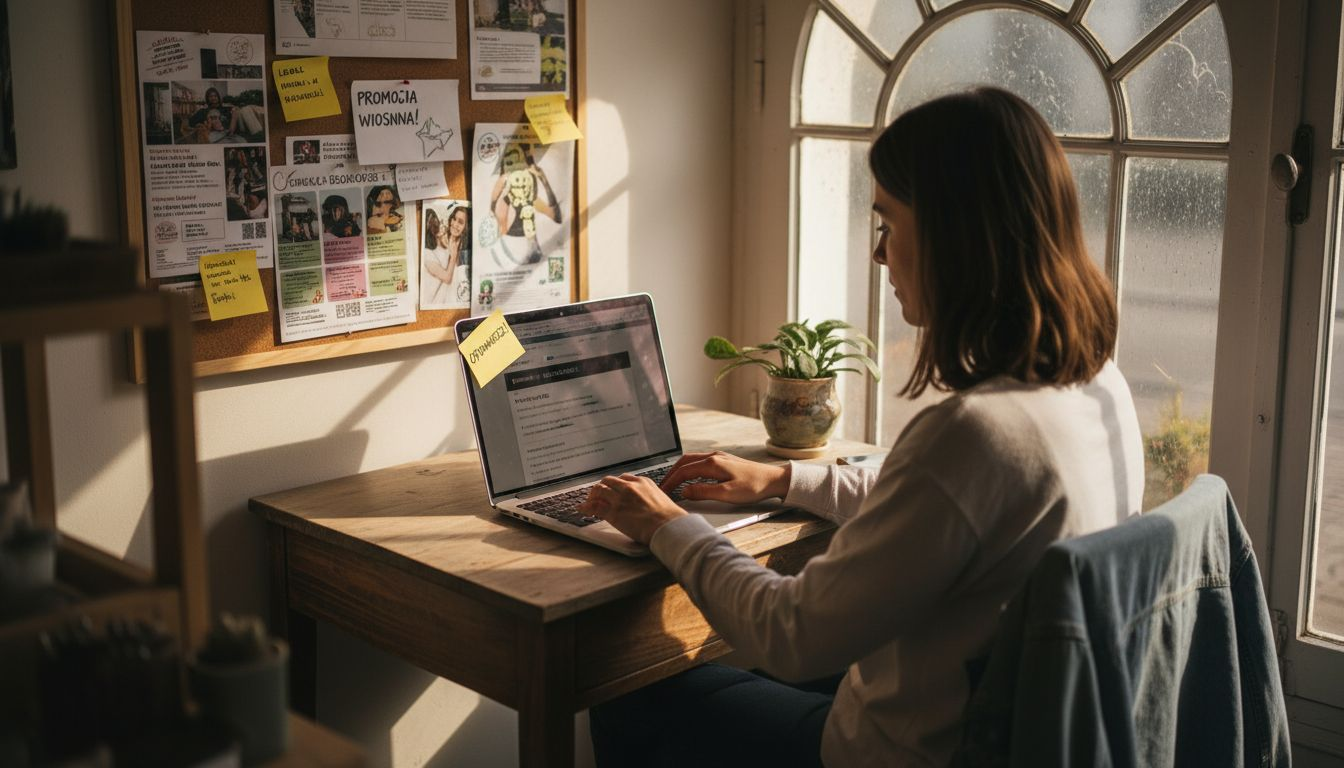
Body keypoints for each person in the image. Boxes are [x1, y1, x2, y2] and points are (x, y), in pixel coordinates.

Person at [581, 87, 1145, 768]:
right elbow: (942, 501)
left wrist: (667, 524)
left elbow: (788, 635)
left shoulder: (972, 434)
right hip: (1001, 727)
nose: (881, 256)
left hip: (900, 754)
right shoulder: (1092, 382)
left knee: (623, 692)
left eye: (889, 224)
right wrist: (787, 479)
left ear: (952, 234)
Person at [490, 144, 561, 264]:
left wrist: (544, 181)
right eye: (511, 166)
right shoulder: (503, 203)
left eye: (521, 168)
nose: (519, 179)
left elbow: (557, 217)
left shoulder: (531, 201)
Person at [422, 205, 470, 307]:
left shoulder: (464, 250)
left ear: (466, 227)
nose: (455, 224)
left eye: (460, 222)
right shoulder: (441, 240)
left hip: (454, 299)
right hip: (437, 301)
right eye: (454, 219)